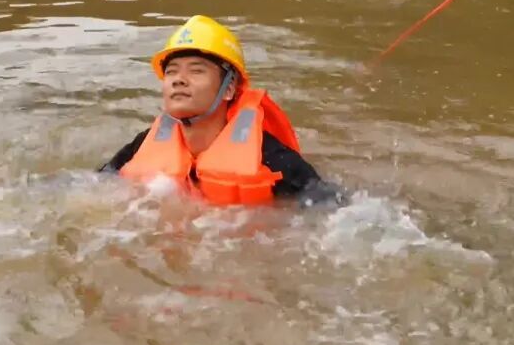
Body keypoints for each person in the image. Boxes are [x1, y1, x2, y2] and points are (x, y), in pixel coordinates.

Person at [99, 15, 345, 207]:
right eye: (171, 71)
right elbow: (94, 186)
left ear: (229, 88)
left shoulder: (270, 158)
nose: (178, 80)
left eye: (196, 70)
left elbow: (330, 206)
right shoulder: (142, 145)